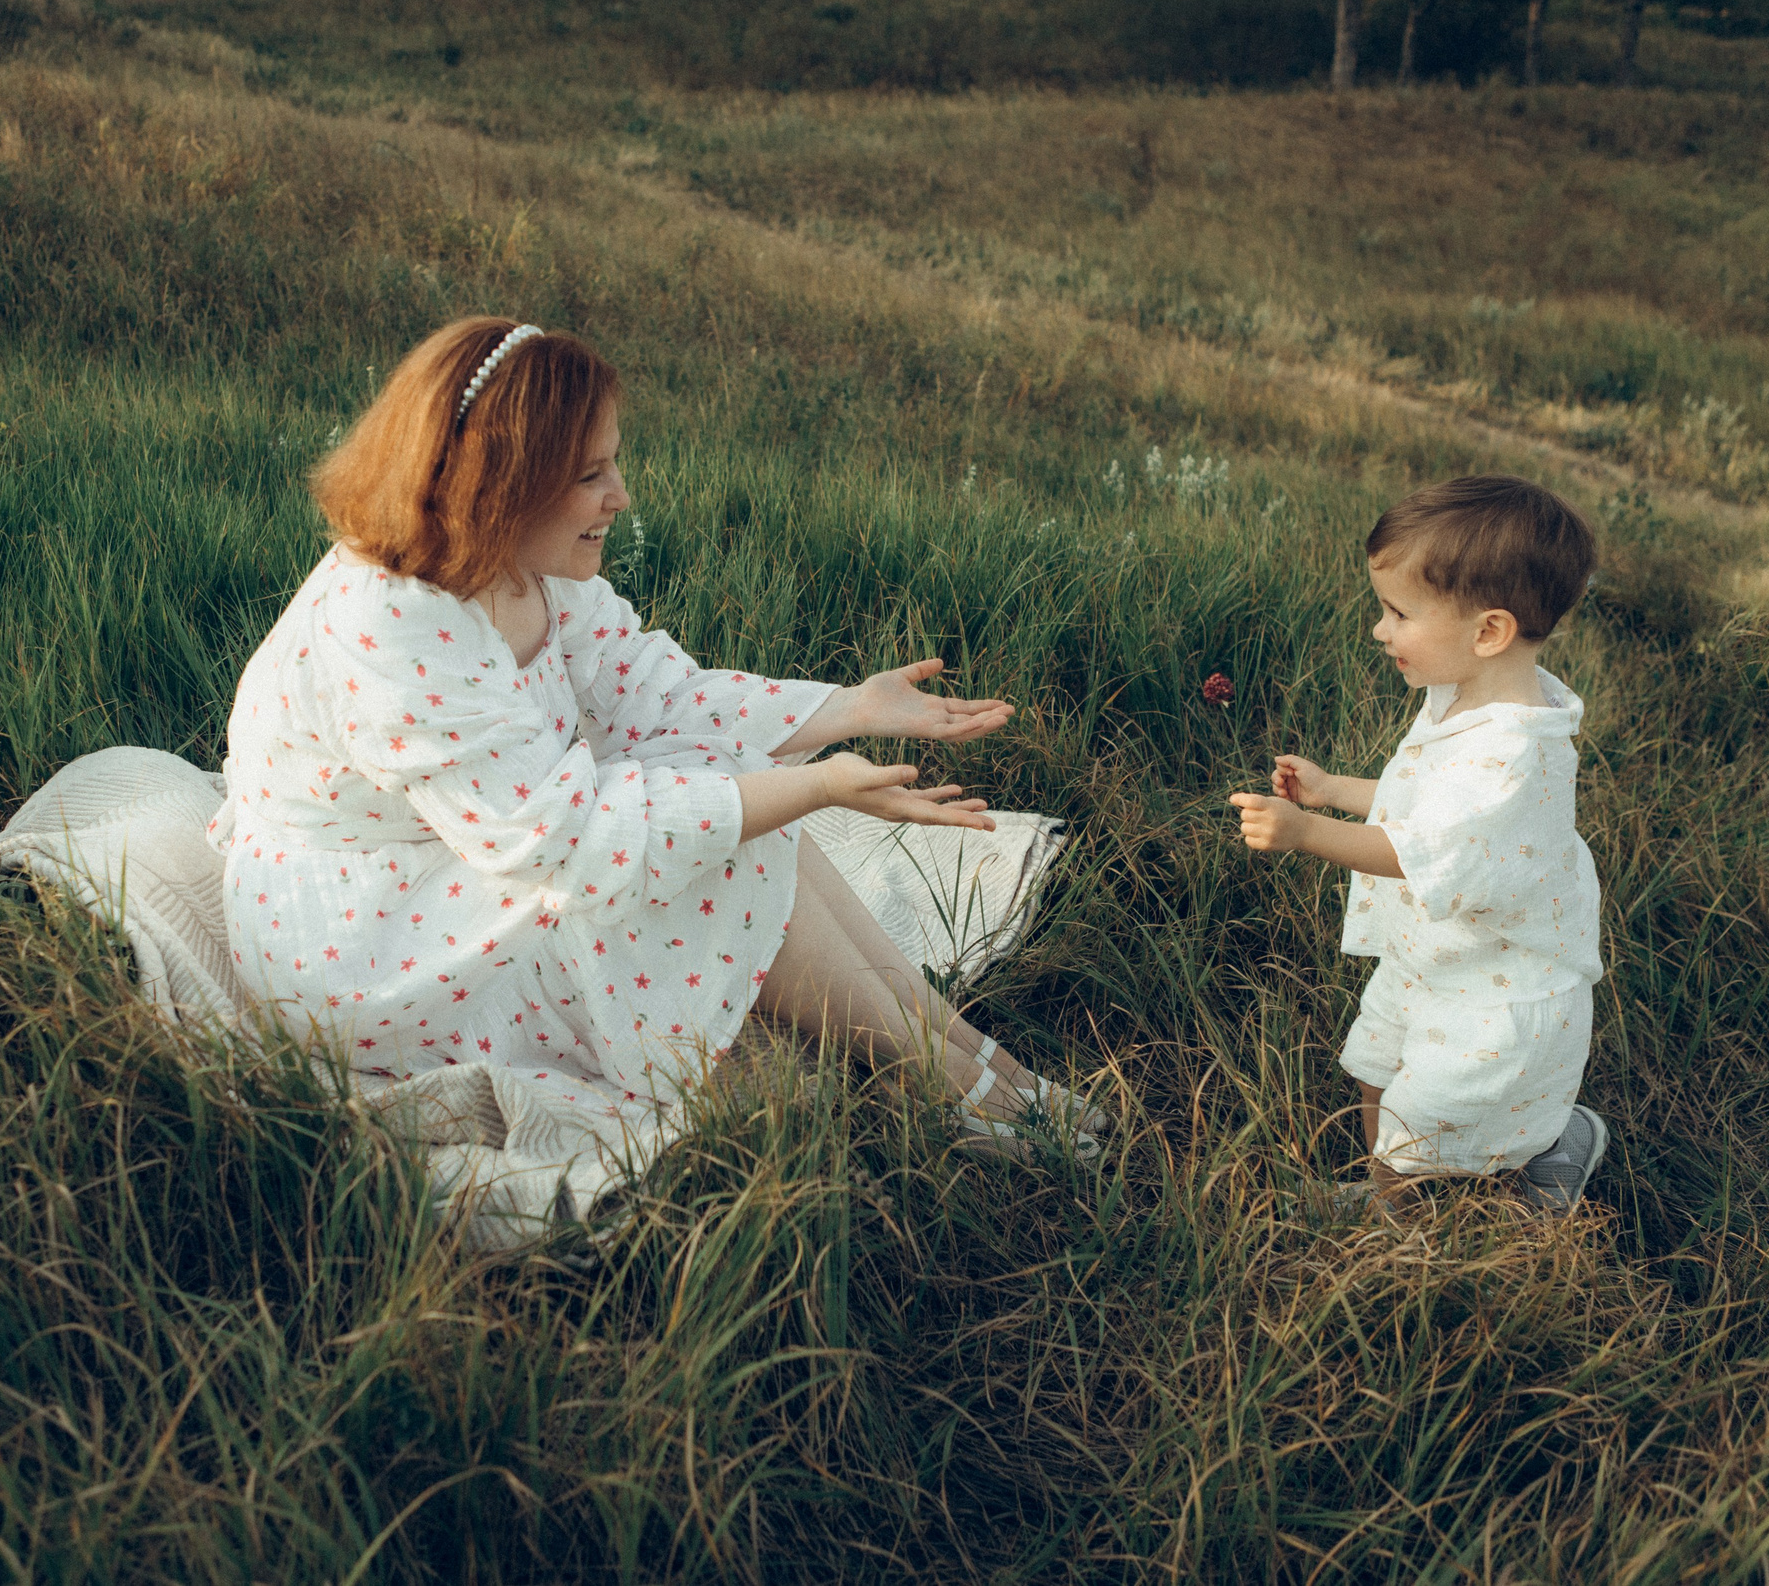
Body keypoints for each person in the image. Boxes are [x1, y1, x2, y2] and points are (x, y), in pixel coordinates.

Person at [210, 316, 1103, 1158]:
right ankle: (942, 1080)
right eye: (589, 474)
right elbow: (564, 840)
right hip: (364, 938)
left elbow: (659, 692)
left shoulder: (526, 564)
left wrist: (853, 707)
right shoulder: (391, 625)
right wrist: (821, 785)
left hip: (479, 848)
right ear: (503, 483)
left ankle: (968, 1052)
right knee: (718, 828)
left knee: (721, 790)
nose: (620, 496)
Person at [1227, 475, 1608, 1213]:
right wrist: (1336, 788)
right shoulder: (1467, 694)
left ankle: (1499, 1184)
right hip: (1438, 956)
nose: (1380, 629)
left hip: (1497, 989)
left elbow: (1416, 852)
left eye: (1399, 612)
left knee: (1424, 1117)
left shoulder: (1510, 759)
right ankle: (1388, 1196)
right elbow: (1421, 809)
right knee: (1379, 1070)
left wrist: (1307, 831)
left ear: (1488, 631)